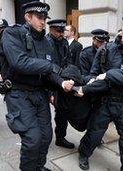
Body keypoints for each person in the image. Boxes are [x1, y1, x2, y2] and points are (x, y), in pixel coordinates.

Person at [0, 1, 74, 170]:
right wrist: (51, 67)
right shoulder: (12, 34)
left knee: (46, 136)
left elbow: (49, 74)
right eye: (39, 17)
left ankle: (38, 166)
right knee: (32, 140)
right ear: (28, 16)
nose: (43, 22)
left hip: (40, 94)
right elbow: (20, 62)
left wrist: (61, 82)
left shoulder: (47, 42)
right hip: (19, 93)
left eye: (44, 18)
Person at [74, 13, 123, 170]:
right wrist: (88, 87)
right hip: (105, 101)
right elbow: (93, 75)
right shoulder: (106, 49)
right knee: (94, 133)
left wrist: (108, 74)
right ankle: (83, 153)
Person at [46, 19, 75, 149]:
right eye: (58, 31)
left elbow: (68, 60)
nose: (61, 33)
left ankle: (60, 137)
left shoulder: (63, 42)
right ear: (51, 29)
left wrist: (68, 76)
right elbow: (46, 66)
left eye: (63, 31)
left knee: (61, 111)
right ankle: (41, 139)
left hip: (62, 81)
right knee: (43, 114)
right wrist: (51, 92)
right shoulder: (45, 42)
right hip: (47, 81)